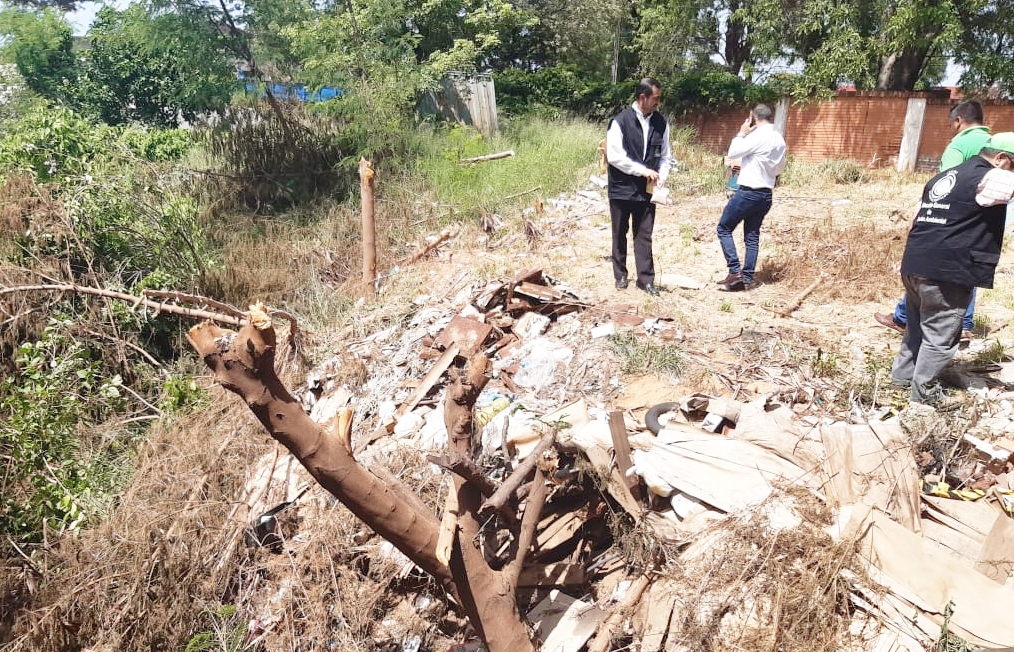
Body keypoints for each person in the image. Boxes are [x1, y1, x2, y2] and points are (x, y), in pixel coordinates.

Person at [890, 132, 1014, 405]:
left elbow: (915, 220)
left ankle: (900, 381)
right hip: (947, 271)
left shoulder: (946, 176)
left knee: (917, 330)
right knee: (940, 338)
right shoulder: (992, 175)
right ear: (1001, 158)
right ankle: (923, 399)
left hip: (915, 264)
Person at [875, 100, 991, 336]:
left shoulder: (959, 145)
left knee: (924, 267)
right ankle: (964, 323)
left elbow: (945, 186)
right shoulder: (993, 145)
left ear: (959, 121)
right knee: (968, 269)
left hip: (951, 221)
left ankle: (904, 317)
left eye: (951, 124)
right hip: (983, 220)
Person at [606, 78, 675, 296]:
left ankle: (646, 280)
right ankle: (621, 275)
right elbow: (615, 157)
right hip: (621, 188)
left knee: (644, 234)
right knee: (619, 233)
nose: (658, 102)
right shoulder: (620, 121)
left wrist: (662, 175)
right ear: (643, 97)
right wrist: (642, 170)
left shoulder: (661, 123)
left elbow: (665, 156)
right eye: (656, 98)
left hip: (646, 191)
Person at [716, 103, 787, 291]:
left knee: (723, 228)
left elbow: (733, 153)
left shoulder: (757, 136)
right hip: (766, 195)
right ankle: (746, 279)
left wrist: (741, 133)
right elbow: (780, 168)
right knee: (752, 236)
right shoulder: (779, 139)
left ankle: (734, 271)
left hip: (749, 192)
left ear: (753, 117)